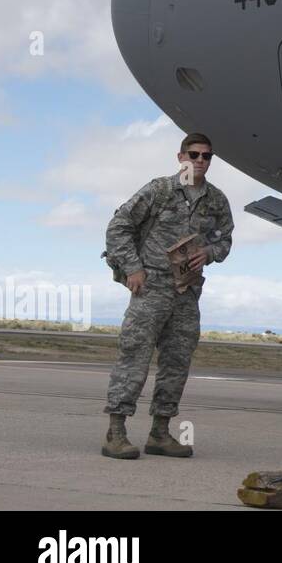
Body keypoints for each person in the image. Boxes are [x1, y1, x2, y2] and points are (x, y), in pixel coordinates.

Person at [102, 133, 234, 459]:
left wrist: (209, 252)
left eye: (206, 156)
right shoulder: (159, 190)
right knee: (134, 358)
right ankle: (115, 433)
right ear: (181, 157)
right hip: (151, 288)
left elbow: (225, 240)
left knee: (176, 364)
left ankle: (160, 433)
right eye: (194, 154)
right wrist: (133, 268)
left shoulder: (216, 201)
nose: (200, 161)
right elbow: (118, 227)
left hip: (187, 293)